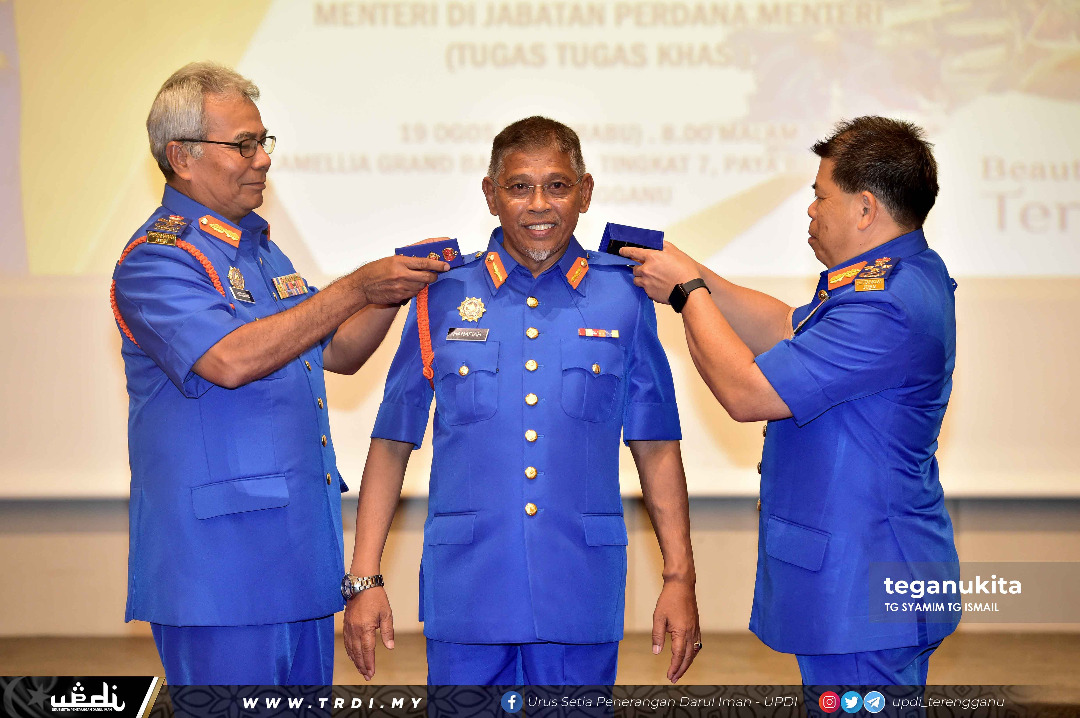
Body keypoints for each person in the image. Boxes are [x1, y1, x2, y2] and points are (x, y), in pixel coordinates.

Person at [111, 62, 447, 685]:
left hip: (298, 563)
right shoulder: (156, 261)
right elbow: (230, 359)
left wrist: (391, 290)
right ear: (181, 157)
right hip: (219, 575)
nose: (263, 159)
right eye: (243, 144)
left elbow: (339, 351)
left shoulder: (261, 252)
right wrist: (354, 287)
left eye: (263, 141)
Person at [341, 116, 700, 685]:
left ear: (585, 192)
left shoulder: (626, 293)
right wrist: (365, 577)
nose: (539, 204)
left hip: (579, 589)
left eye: (557, 186)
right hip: (468, 590)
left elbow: (655, 446)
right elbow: (392, 441)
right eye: (518, 187)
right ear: (490, 195)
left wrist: (680, 578)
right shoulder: (441, 291)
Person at [622, 116, 960, 687]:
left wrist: (686, 293)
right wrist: (693, 271)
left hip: (864, 586)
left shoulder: (886, 304)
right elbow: (785, 326)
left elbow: (746, 392)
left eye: (821, 196)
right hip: (868, 576)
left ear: (865, 208)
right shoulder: (898, 275)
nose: (811, 209)